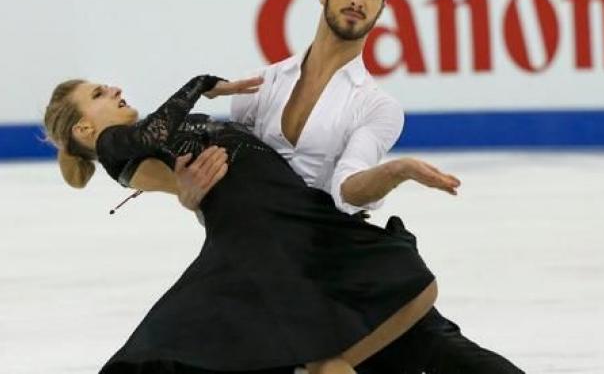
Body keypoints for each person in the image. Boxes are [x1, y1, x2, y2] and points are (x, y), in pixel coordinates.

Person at [131, 0, 524, 374]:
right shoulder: (261, 88)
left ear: (382, 8)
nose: (358, 0)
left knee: (449, 359)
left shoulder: (375, 107)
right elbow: (235, 184)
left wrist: (397, 170)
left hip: (342, 268)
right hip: (272, 280)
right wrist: (190, 193)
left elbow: (348, 188)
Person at [43, 75, 440, 374]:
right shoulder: (115, 144)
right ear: (84, 130)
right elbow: (163, 153)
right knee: (333, 342)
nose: (112, 89)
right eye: (98, 95)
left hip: (288, 220)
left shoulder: (138, 149)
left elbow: (182, 178)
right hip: (266, 234)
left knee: (331, 349)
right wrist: (200, 83)